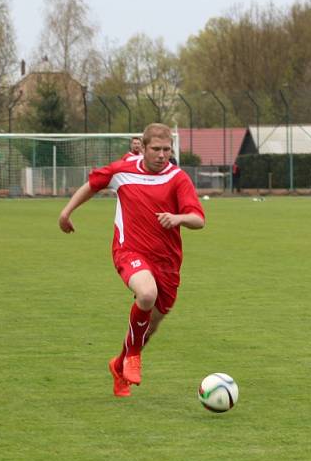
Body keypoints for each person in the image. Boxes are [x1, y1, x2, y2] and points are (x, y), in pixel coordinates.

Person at [58, 123, 206, 397]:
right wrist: (66, 213)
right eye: (156, 149)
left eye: (167, 150)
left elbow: (199, 219)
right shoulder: (122, 170)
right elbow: (92, 185)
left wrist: (178, 218)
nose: (162, 155)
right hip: (130, 251)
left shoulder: (178, 178)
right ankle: (133, 357)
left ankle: (119, 365)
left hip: (168, 262)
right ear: (143, 148)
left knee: (151, 324)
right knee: (146, 294)